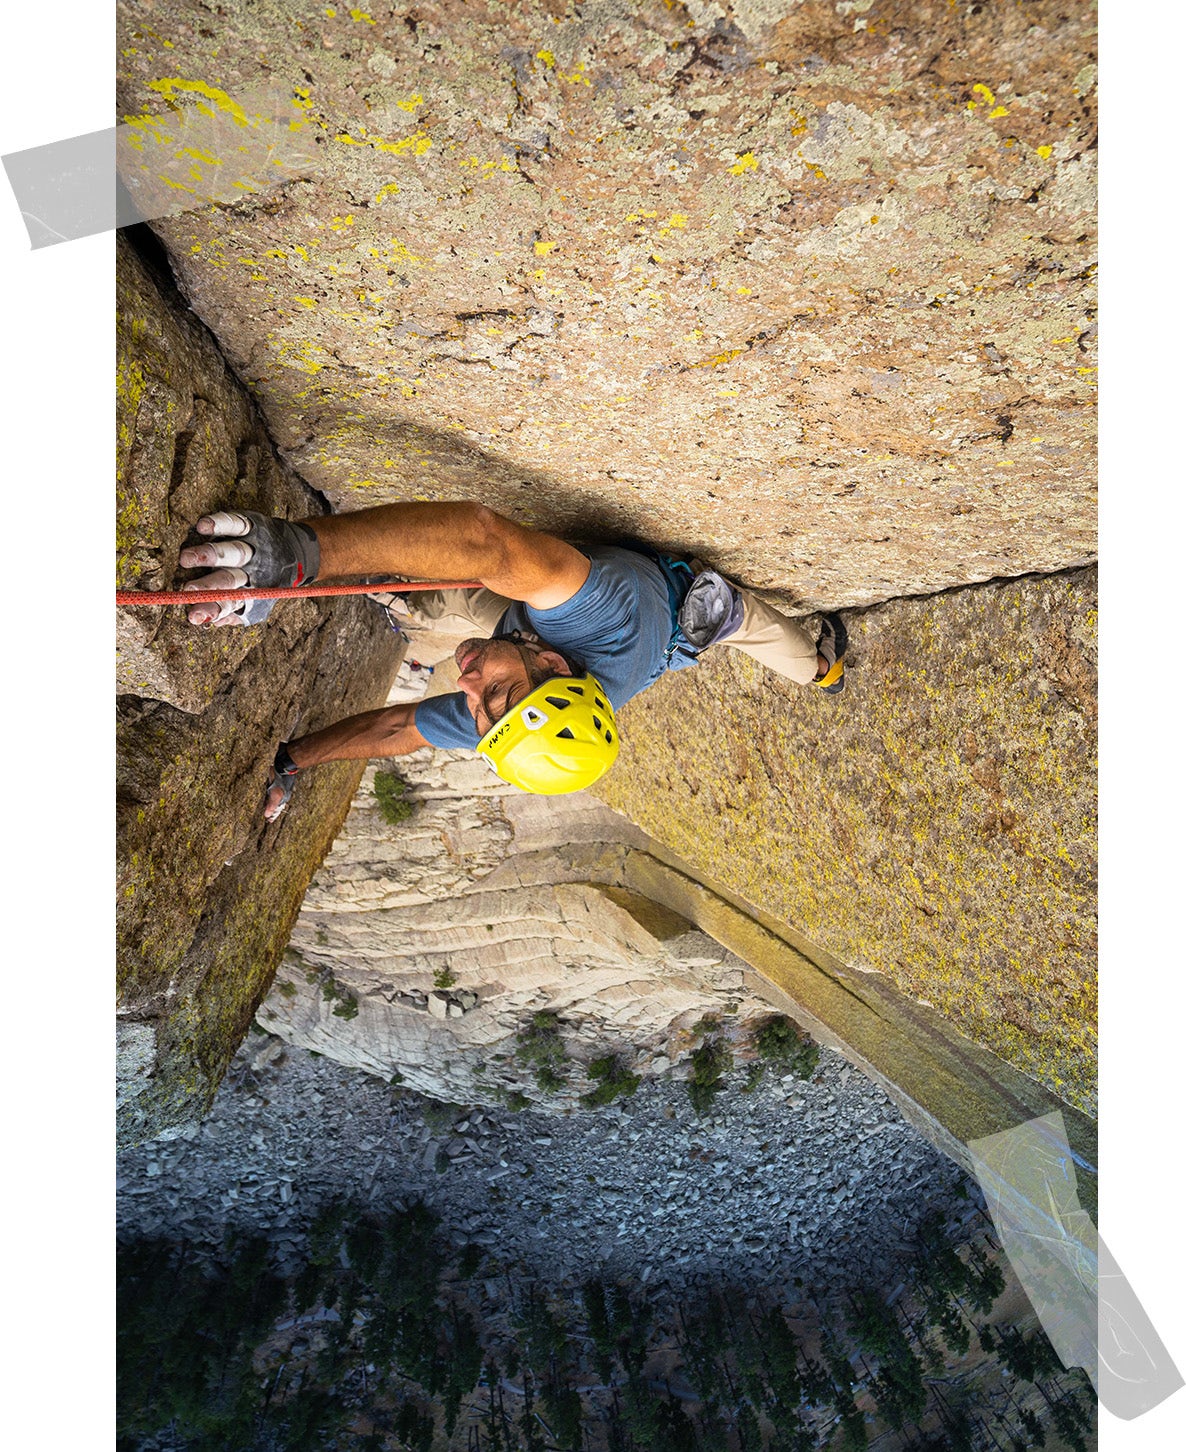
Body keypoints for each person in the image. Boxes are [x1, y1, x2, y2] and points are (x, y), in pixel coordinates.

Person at [177, 501, 847, 819]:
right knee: (753, 627)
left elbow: (398, 729)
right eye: (492, 692)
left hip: (614, 641)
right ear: (555, 667)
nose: (466, 684)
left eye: (481, 707)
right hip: (673, 607)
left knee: (449, 606)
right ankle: (825, 668)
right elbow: (487, 543)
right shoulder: (598, 615)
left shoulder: (515, 716)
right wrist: (300, 552)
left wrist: (292, 762)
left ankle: (823, 671)